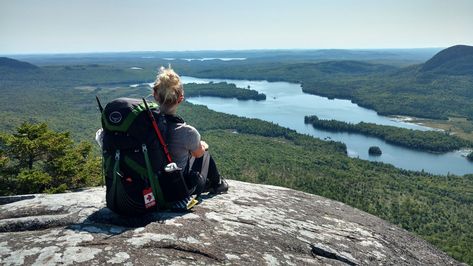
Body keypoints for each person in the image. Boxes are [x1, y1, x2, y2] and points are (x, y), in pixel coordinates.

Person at [152, 66, 228, 195]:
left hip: (152, 184)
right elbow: (199, 154)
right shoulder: (187, 132)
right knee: (205, 155)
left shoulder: (146, 125)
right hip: (176, 189)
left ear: (155, 95)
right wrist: (202, 145)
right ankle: (218, 184)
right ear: (180, 98)